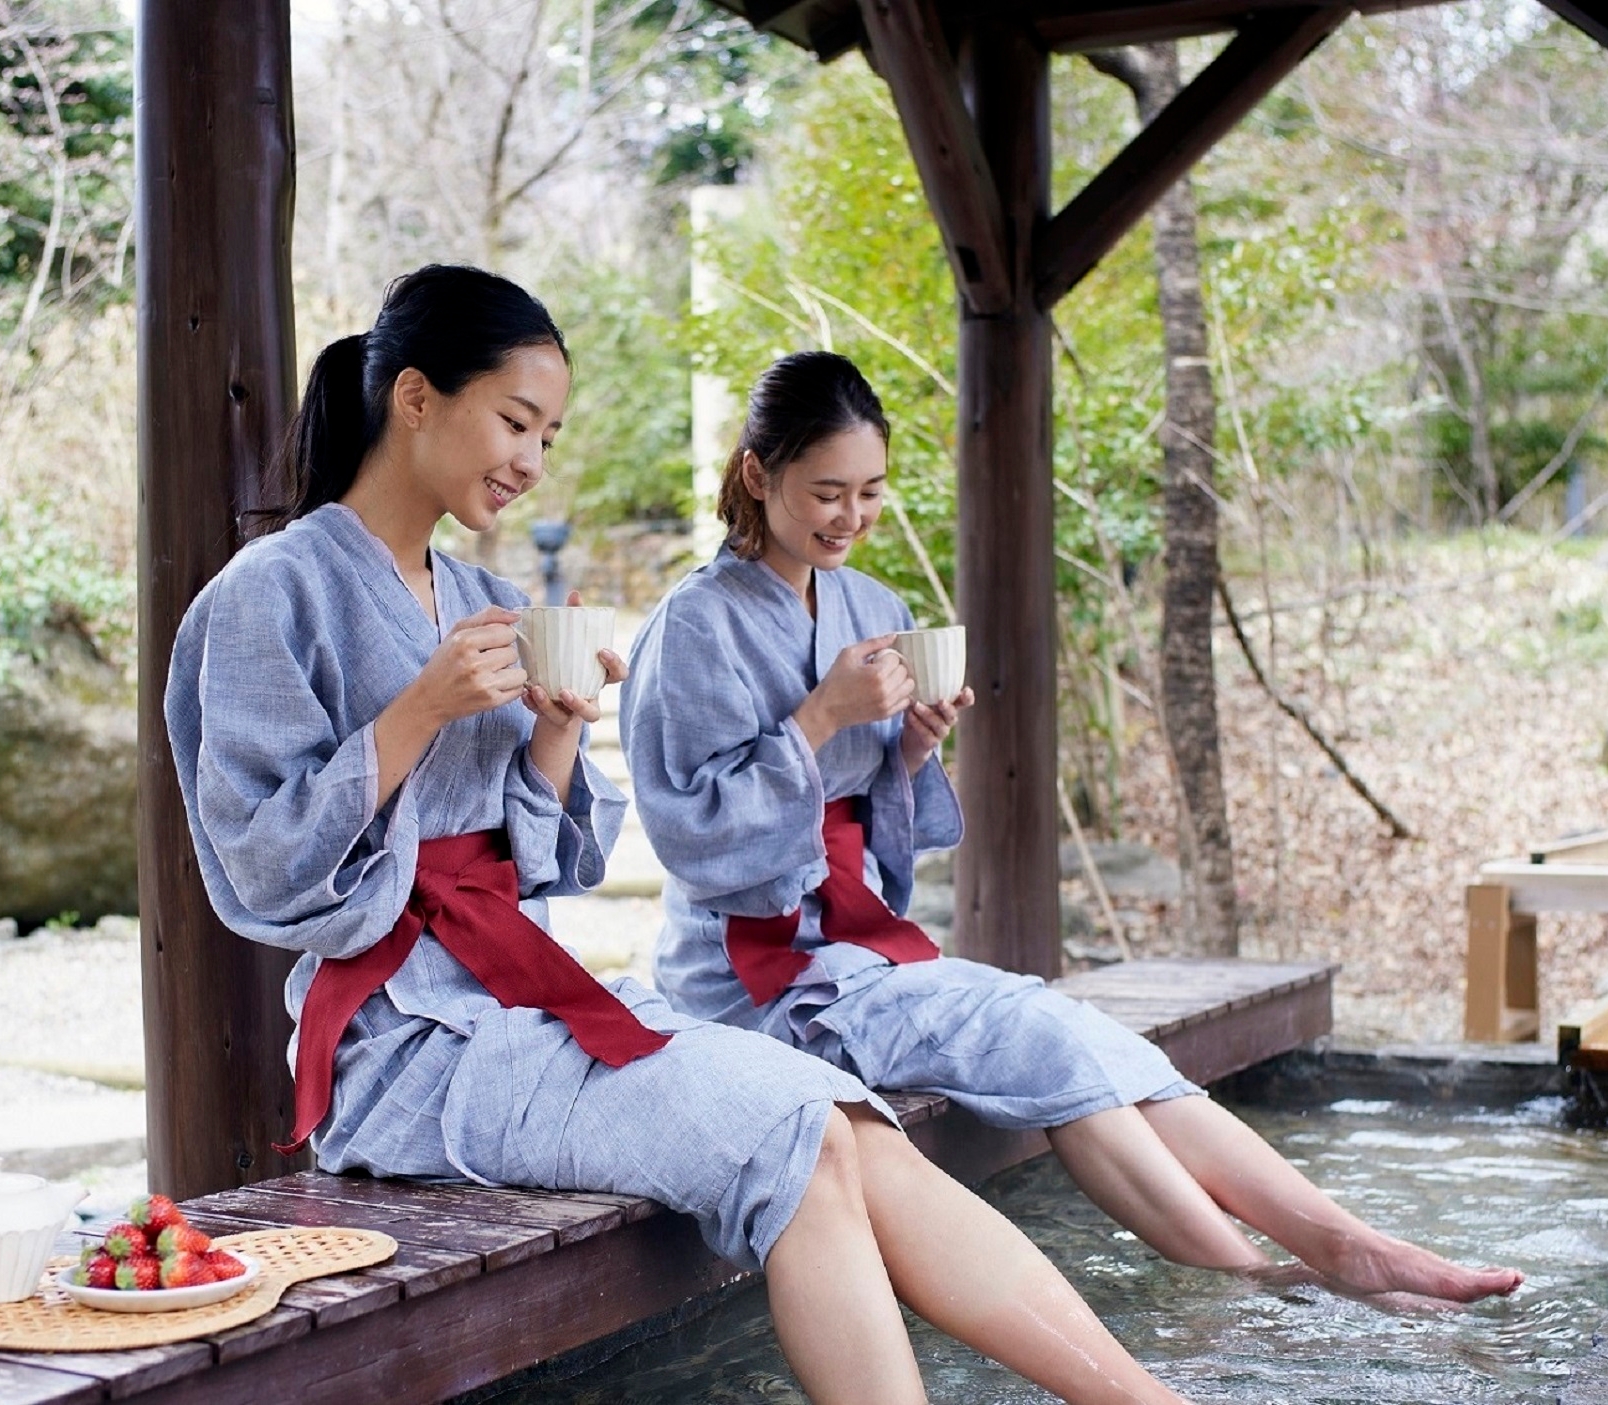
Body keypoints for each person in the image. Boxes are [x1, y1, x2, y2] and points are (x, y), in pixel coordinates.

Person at [165, 267, 1197, 1405]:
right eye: (515, 422)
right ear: (415, 396)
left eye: (549, 435)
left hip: (519, 1003)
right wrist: (418, 710)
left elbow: (541, 861)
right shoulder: (268, 594)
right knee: (798, 1128)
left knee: (853, 1119)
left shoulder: (477, 592)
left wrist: (557, 735)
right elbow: (261, 864)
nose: (532, 461)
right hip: (403, 1051)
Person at [621, 349, 1525, 1307]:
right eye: (827, 492)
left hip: (857, 949)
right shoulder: (692, 625)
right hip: (755, 976)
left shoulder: (873, 605)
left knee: (1078, 1035)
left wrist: (910, 750)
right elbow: (694, 836)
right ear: (759, 475)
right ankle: (1280, 1276)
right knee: (1044, 1034)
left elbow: (873, 814)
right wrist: (823, 718)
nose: (851, 517)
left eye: (872, 492)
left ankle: (1336, 1248)